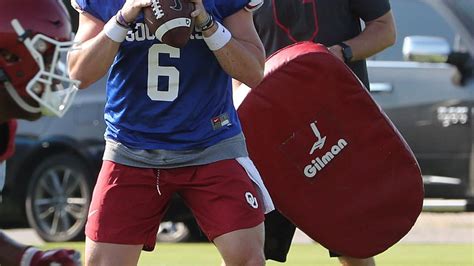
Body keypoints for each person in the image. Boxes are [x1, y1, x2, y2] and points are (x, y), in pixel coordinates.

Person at [67, 0, 274, 265]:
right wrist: (122, 18)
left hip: (211, 143)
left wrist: (208, 24)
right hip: (131, 147)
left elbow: (254, 72)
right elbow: (78, 73)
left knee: (248, 260)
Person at [252, 0, 396, 265]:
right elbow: (235, 46)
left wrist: (342, 52)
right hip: (271, 128)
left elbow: (385, 29)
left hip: (337, 125)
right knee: (248, 251)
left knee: (354, 247)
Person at [0, 0, 82, 265]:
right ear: (8, 56)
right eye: (45, 57)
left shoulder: (4, 127)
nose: (55, 76)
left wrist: (30, 258)